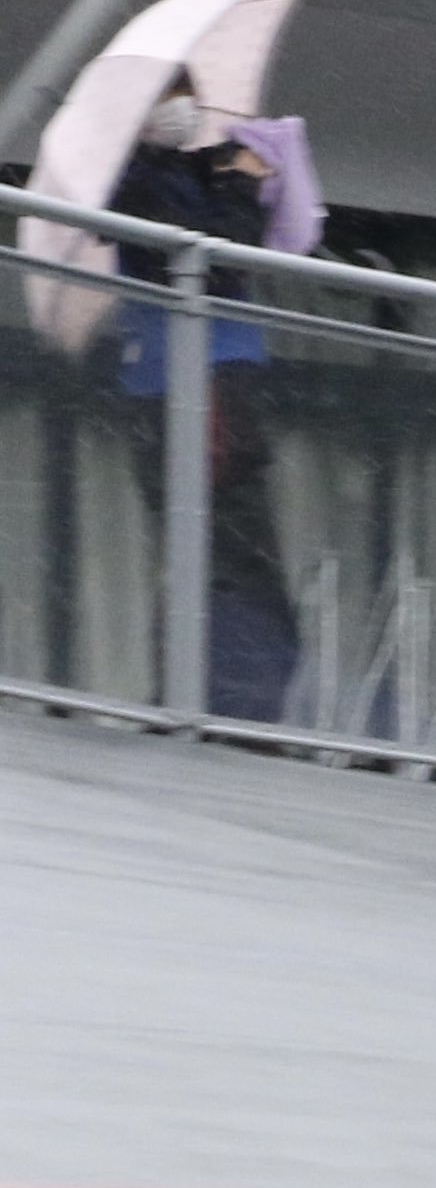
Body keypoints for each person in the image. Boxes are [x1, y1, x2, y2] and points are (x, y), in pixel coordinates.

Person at [109, 69, 308, 720]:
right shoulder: (136, 183)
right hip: (194, 387)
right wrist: (241, 184)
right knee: (233, 550)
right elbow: (221, 258)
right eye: (166, 96)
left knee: (217, 548)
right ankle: (232, 705)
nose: (181, 110)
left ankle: (207, 697)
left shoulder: (177, 173)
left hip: (199, 387)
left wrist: (231, 175)